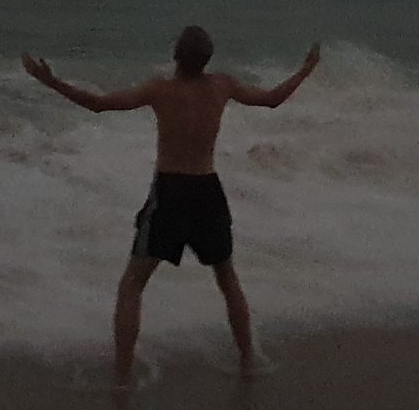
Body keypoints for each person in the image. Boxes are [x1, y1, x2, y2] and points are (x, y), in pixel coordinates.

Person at [22, 27, 321, 386]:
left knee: (133, 284)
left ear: (176, 55)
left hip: (170, 192)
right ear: (207, 59)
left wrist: (51, 82)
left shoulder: (160, 90)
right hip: (208, 191)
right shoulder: (222, 86)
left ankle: (121, 374)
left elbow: (99, 104)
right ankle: (247, 360)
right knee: (227, 278)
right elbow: (272, 99)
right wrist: (306, 69)